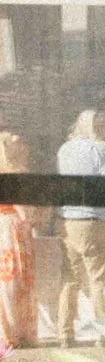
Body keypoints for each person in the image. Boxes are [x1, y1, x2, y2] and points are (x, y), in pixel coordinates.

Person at [55, 108, 105, 332]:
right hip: (94, 220)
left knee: (70, 278)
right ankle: (103, 332)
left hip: (68, 220)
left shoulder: (64, 150)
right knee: (99, 279)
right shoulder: (100, 150)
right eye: (102, 126)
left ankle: (64, 332)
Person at [0, 138, 34, 351]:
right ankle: (14, 331)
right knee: (14, 279)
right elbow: (23, 209)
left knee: (9, 281)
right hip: (11, 227)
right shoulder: (15, 174)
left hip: (7, 225)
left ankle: (9, 331)